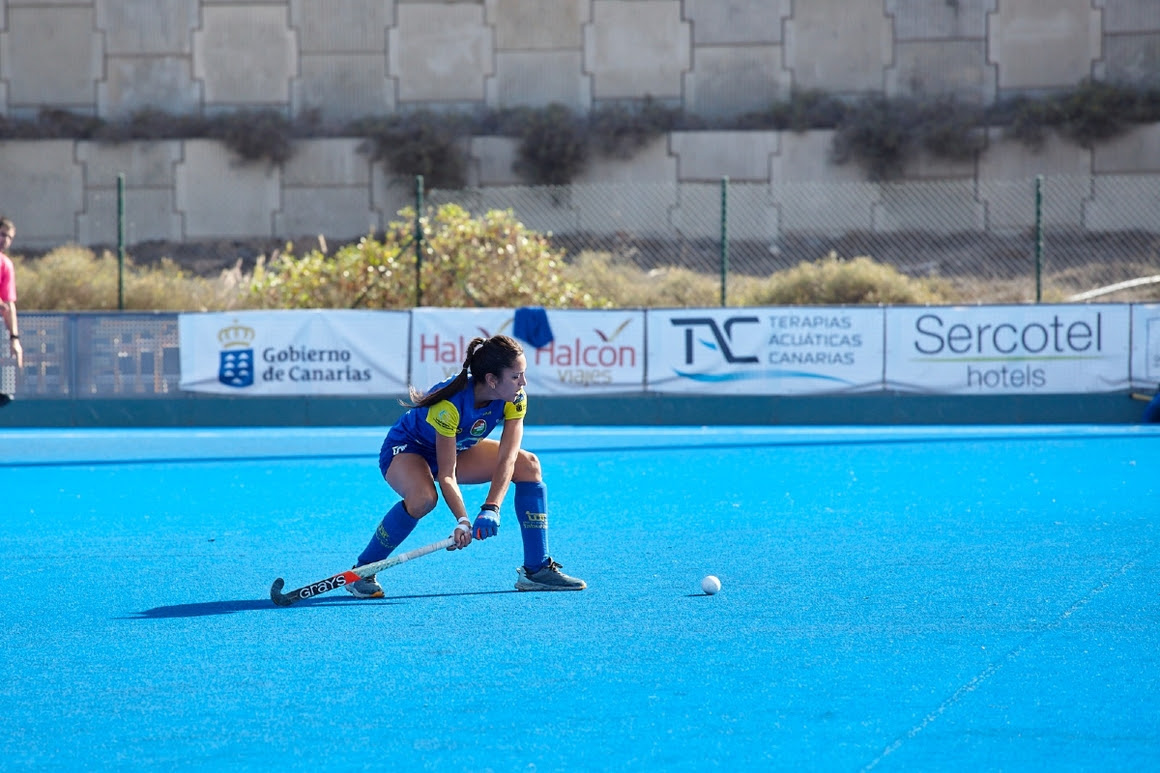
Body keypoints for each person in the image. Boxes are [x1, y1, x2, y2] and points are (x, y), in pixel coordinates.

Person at [347, 333, 585, 597]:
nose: (523, 383)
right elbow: (447, 475)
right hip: (408, 448)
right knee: (423, 499)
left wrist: (491, 507)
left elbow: (507, 458)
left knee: (527, 465)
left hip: (457, 448)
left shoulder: (516, 398)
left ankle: (536, 569)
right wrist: (463, 520)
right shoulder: (449, 405)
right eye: (516, 376)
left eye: (523, 375)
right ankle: (362, 570)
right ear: (492, 380)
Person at [0, 217, 22, 406]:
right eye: (2, 234)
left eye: (9, 237)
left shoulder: (5, 265)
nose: (5, 240)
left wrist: (14, 339)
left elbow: (8, 305)